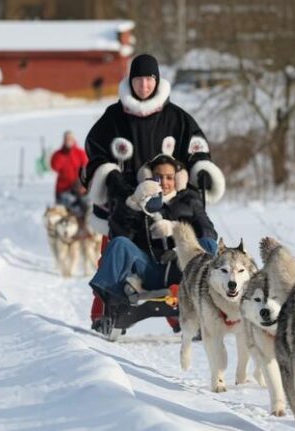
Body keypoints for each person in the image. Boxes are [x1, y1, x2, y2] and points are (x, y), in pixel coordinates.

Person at [84, 53, 225, 236]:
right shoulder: (113, 118)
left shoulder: (177, 118)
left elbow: (196, 149)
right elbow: (96, 150)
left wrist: (201, 169)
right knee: (117, 253)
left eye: (149, 79)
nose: (144, 85)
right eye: (138, 79)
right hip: (125, 204)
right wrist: (110, 176)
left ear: (157, 81)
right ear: (130, 81)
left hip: (171, 207)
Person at [89, 154, 218, 333]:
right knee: (119, 244)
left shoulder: (189, 201)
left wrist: (177, 230)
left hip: (181, 268)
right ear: (149, 177)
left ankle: (203, 309)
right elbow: (119, 234)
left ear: (177, 179)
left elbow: (209, 232)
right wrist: (133, 205)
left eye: (169, 177)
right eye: (159, 177)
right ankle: (113, 307)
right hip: (149, 269)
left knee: (209, 245)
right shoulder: (141, 200)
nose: (164, 182)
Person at [50, 131, 89, 218]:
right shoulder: (58, 154)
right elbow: (54, 167)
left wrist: (82, 184)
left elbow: (86, 168)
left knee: (87, 206)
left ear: (74, 140)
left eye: (70, 139)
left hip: (79, 188)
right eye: (66, 139)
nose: (68, 141)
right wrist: (64, 155)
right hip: (64, 189)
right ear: (63, 140)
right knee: (69, 209)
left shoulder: (80, 153)